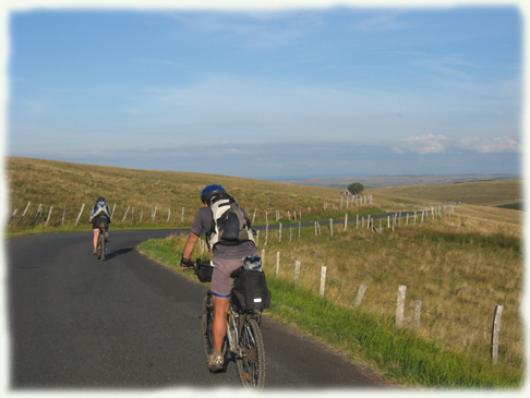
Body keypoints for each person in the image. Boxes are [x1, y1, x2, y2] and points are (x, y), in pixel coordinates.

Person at [180, 184, 257, 372]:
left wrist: (185, 260)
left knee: (220, 309)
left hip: (225, 259)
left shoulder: (204, 213)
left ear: (206, 201)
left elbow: (192, 239)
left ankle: (217, 355)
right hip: (252, 257)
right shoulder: (239, 209)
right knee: (250, 297)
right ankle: (250, 325)